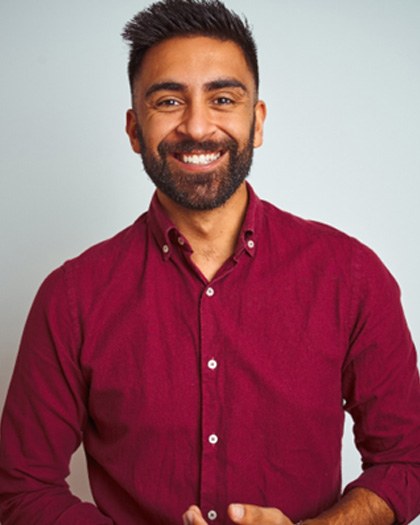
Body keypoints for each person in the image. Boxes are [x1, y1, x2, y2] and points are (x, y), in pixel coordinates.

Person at [0, 0, 419, 523]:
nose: (197, 126)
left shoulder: (353, 278)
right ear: (134, 130)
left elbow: (407, 460)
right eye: (169, 101)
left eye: (222, 98)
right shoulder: (71, 298)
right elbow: (22, 486)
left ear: (257, 121)